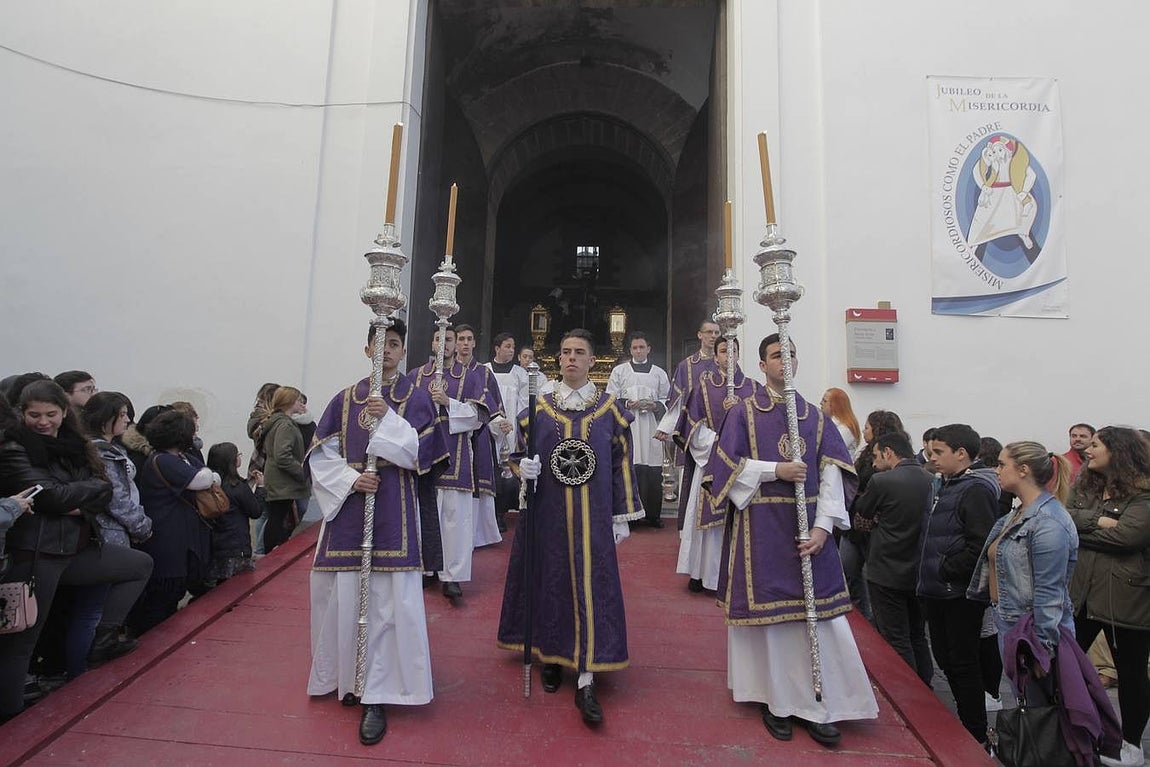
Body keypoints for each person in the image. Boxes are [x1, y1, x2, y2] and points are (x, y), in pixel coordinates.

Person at [704, 333, 876, 747]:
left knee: (819, 620)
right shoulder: (743, 412)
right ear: (762, 365)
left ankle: (820, 703)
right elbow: (722, 470)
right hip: (760, 530)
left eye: (791, 354)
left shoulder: (815, 417)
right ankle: (776, 700)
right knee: (774, 624)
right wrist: (773, 470)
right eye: (777, 355)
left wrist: (823, 527)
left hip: (808, 534)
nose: (786, 360)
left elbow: (832, 475)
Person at [307, 318, 448, 745]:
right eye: (379, 342)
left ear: (402, 352)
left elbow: (424, 454)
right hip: (350, 511)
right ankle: (349, 678)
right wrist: (352, 479)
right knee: (346, 597)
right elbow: (321, 456)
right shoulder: (344, 400)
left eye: (394, 343)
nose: (386, 349)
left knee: (388, 603)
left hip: (394, 514)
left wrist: (387, 419)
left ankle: (379, 691)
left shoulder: (415, 398)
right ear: (367, 349)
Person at [498, 328, 642, 725]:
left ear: (592, 361)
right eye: (565, 352)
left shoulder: (611, 410)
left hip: (594, 516)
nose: (571, 358)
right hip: (548, 514)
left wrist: (622, 515)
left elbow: (622, 464)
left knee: (592, 588)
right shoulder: (539, 409)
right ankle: (550, 655)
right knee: (551, 580)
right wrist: (523, 469)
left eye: (579, 352)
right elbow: (518, 454)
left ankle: (586, 676)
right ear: (558, 359)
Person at [0, 381, 152, 722]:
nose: (43, 422)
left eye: (50, 414)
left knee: (138, 565)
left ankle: (104, 639)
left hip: (75, 547)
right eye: (34, 415)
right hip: (35, 554)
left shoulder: (75, 444)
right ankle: (11, 718)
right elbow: (50, 497)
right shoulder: (14, 448)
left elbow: (102, 492)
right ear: (22, 413)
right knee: (21, 643)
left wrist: (74, 499)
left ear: (64, 412)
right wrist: (78, 496)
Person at [1067, 426, 1150, 767]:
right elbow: (1066, 517)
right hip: (1082, 593)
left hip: (1126, 597)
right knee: (1064, 664)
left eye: (1096, 445)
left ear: (1118, 451)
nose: (1088, 450)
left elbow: (1128, 538)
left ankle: (1131, 744)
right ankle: (1071, 730)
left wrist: (1083, 530)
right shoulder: (1085, 483)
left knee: (1131, 674)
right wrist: (1101, 521)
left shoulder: (1143, 493)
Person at [917, 423, 999, 746]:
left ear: (961, 454)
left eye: (939, 452)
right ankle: (968, 723)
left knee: (962, 662)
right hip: (937, 590)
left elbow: (980, 543)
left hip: (958, 593)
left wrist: (946, 569)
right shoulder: (944, 483)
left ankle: (976, 733)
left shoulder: (975, 489)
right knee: (946, 659)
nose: (932, 458)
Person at [408, 324, 501, 600]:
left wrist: (449, 403)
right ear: (432, 344)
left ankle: (452, 576)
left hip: (456, 457)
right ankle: (426, 569)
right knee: (425, 514)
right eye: (439, 339)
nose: (445, 344)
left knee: (455, 520)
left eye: (449, 339)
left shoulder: (469, 377)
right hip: (424, 457)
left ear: (455, 344)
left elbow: (479, 417)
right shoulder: (416, 376)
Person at [673, 336, 757, 593]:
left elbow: (760, 428)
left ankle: (735, 577)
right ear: (716, 356)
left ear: (738, 354)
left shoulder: (753, 388)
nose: (728, 356)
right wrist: (720, 444)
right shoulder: (704, 387)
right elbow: (693, 428)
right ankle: (701, 574)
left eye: (733, 351)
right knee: (705, 524)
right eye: (723, 351)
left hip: (742, 466)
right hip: (710, 462)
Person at [854, 431, 934, 685]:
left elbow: (862, 512)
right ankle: (925, 685)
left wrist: (877, 519)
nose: (874, 462)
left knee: (895, 637)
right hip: (918, 570)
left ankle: (909, 691)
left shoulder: (882, 481)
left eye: (876, 455)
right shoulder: (931, 480)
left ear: (888, 452)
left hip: (886, 568)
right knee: (917, 635)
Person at [131, 409, 215, 634]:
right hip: (166, 535)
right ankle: (150, 638)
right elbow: (203, 479)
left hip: (176, 534)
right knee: (164, 592)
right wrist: (208, 474)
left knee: (173, 590)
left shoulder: (176, 458)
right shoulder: (164, 460)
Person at [844, 409, 909, 623]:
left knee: (869, 575)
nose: (863, 431)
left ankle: (870, 619)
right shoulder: (866, 453)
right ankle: (861, 615)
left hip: (870, 523)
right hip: (854, 524)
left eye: (867, 427)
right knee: (849, 569)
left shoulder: (886, 463)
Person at [607, 331, 671, 529]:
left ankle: (653, 515)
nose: (638, 351)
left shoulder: (659, 373)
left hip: (651, 426)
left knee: (652, 470)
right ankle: (631, 515)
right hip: (630, 426)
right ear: (630, 350)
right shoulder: (620, 371)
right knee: (630, 469)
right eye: (635, 348)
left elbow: (667, 399)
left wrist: (655, 405)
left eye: (642, 347)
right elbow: (610, 398)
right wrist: (627, 403)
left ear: (648, 349)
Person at [454, 324, 506, 549]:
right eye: (461, 339)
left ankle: (477, 536)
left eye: (469, 339)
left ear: (474, 343)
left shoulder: (484, 373)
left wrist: (500, 424)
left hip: (480, 437)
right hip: (454, 438)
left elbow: (496, 408)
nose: (465, 343)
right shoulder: (448, 372)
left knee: (478, 484)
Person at [486, 332, 528, 532]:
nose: (511, 350)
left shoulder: (520, 374)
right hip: (489, 427)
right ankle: (489, 513)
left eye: (513, 347)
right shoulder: (485, 370)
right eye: (507, 346)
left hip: (512, 428)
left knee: (509, 470)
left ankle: (502, 512)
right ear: (497, 348)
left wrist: (515, 424)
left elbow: (525, 402)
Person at [260, 386, 310, 553]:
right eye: (297, 400)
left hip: (277, 478)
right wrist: (301, 471)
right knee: (278, 519)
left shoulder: (277, 421)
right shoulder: (285, 425)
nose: (300, 403)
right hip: (283, 481)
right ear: (289, 402)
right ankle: (272, 555)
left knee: (278, 517)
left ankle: (273, 552)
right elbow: (282, 455)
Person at [205, 442, 263, 584]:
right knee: (240, 586)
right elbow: (255, 511)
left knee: (221, 586)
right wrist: (261, 487)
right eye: (237, 455)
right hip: (237, 547)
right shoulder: (237, 487)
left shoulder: (210, 486)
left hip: (215, 546)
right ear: (231, 461)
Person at [820, 387, 861, 458]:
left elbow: (831, 449)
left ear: (835, 405)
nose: (821, 403)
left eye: (825, 401)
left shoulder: (846, 429)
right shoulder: (828, 423)